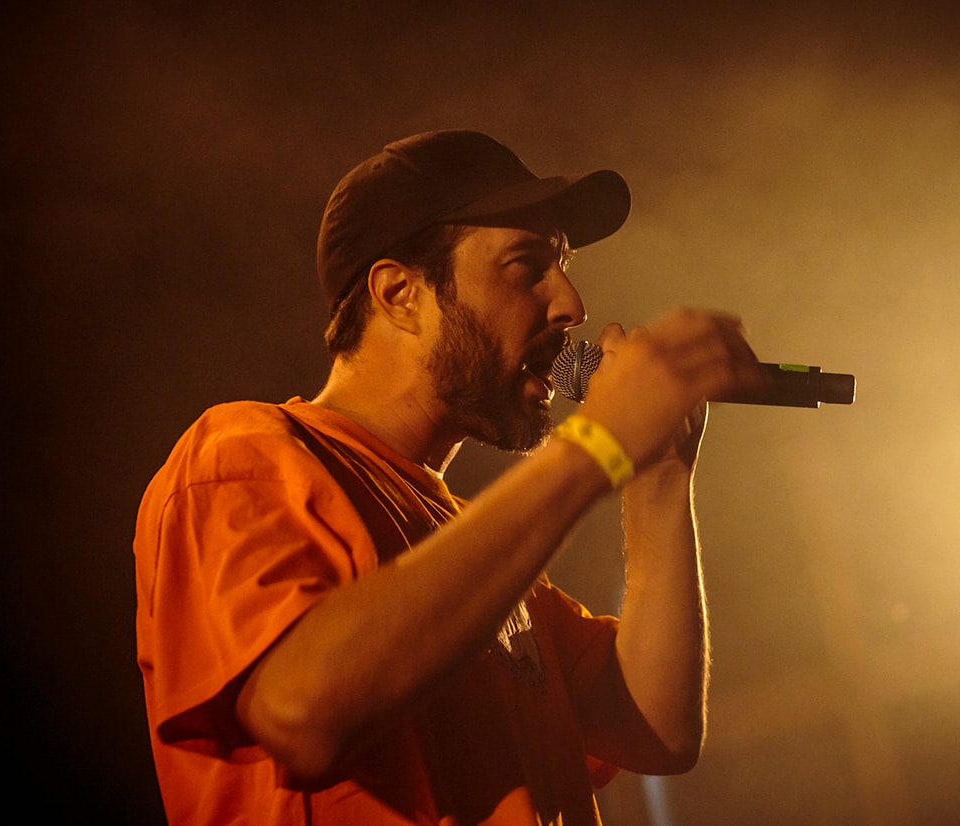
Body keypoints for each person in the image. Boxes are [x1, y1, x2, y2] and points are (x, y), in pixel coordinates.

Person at [134, 129, 766, 825]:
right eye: (528, 265)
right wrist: (600, 443)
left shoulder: (481, 553)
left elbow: (657, 728)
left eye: (563, 263)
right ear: (400, 293)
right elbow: (298, 710)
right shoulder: (245, 453)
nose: (572, 305)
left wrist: (659, 470)